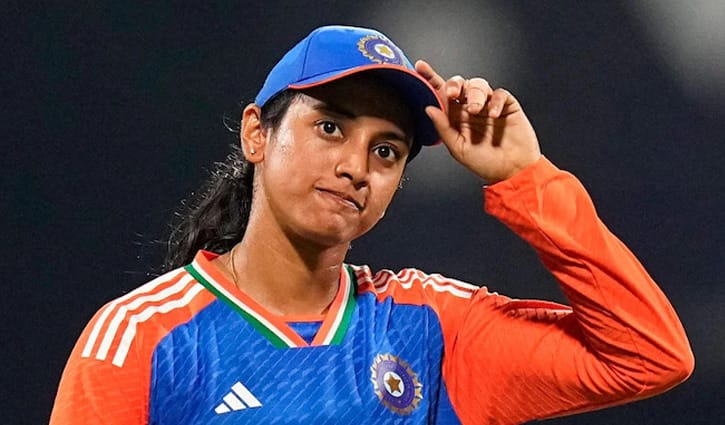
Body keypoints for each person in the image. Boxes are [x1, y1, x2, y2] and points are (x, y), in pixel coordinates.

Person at [50, 25, 693, 424]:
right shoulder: (143, 339)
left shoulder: (431, 326)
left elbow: (648, 357)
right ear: (256, 134)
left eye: (386, 150)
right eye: (330, 127)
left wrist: (525, 178)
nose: (355, 167)